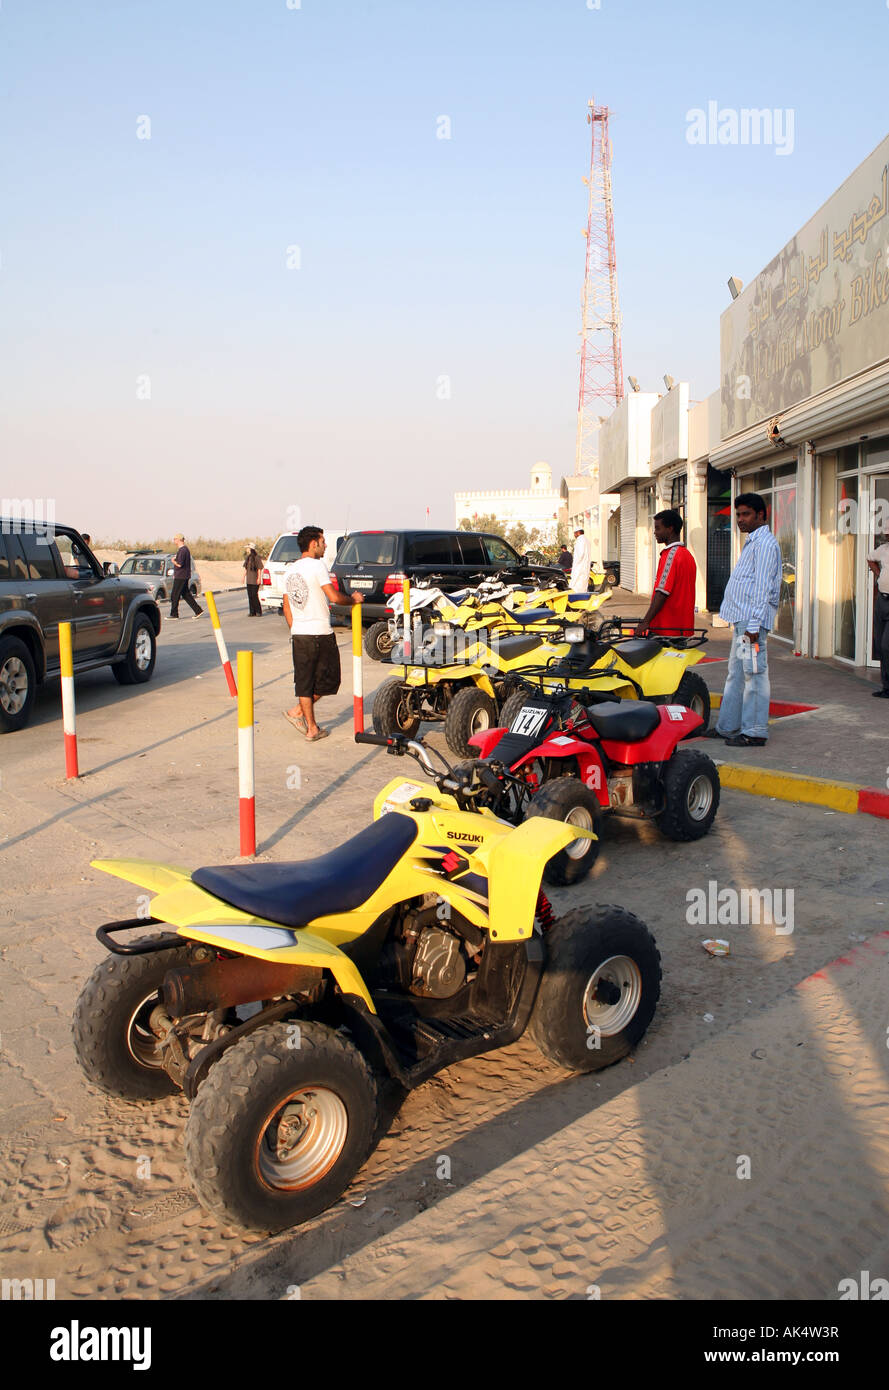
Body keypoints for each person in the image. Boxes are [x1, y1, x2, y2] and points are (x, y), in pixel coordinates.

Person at [703, 493, 781, 747]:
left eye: (746, 514)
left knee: (754, 673)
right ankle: (728, 727)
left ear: (761, 515)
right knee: (736, 673)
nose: (740, 519)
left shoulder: (765, 544)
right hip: (742, 621)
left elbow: (763, 588)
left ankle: (755, 731)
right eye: (738, 514)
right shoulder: (753, 542)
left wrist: (754, 627)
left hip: (751, 622)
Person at [282, 525, 363, 741]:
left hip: (299, 634)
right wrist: (353, 599)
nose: (325, 545)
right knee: (330, 680)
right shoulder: (317, 566)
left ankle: (307, 723)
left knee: (304, 682)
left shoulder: (290, 570)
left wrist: (296, 628)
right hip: (320, 633)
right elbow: (335, 597)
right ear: (313, 543)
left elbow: (287, 606)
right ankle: (305, 720)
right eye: (322, 541)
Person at [634, 509, 697, 638]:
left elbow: (661, 593)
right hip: (682, 629)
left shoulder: (671, 555)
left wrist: (645, 622)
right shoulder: (687, 555)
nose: (655, 532)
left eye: (658, 528)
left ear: (670, 529)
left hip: (667, 629)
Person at [867, 525, 889, 697]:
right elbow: (869, 558)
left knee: (886, 645)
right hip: (882, 600)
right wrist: (879, 574)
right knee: (880, 645)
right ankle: (886, 687)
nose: (887, 536)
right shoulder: (882, 549)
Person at [169, 533, 203, 618]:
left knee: (175, 594)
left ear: (179, 539)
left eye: (175, 539)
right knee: (185, 594)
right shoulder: (183, 550)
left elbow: (180, 564)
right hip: (182, 575)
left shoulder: (183, 550)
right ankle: (198, 610)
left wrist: (173, 561)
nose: (174, 540)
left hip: (181, 576)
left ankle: (174, 614)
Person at [569, 525, 590, 592]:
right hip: (584, 566)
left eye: (574, 533)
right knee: (583, 582)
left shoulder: (580, 540)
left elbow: (580, 554)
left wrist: (575, 564)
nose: (574, 535)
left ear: (578, 533)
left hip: (580, 566)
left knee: (577, 583)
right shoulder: (586, 540)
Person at [244, 543, 263, 616]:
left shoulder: (257, 557)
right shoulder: (248, 558)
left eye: (248, 548)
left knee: (254, 595)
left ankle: (258, 611)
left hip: (255, 580)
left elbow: (259, 568)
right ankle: (252, 612)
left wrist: (259, 578)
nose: (247, 549)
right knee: (250, 596)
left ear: (251, 548)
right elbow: (245, 569)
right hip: (249, 580)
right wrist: (243, 577)